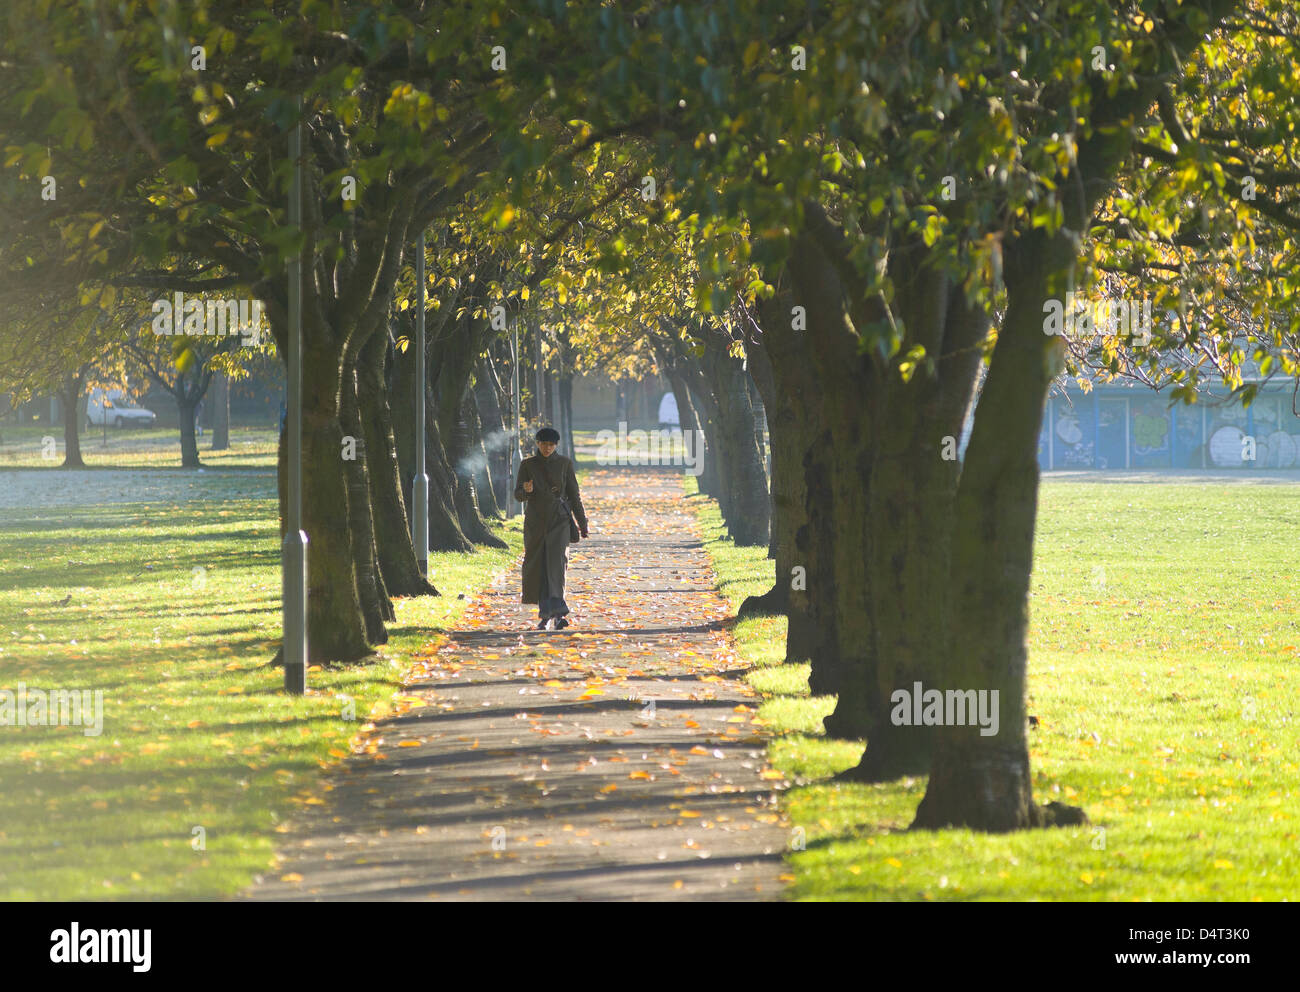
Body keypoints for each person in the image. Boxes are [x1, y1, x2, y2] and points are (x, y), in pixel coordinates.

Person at [514, 427, 588, 630]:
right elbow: (518, 495)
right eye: (544, 444)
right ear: (537, 443)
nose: (547, 448)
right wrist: (525, 491)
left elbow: (574, 495)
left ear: (556, 445)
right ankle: (547, 614)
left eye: (551, 445)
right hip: (535, 524)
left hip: (559, 522)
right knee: (539, 568)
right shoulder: (527, 465)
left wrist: (582, 523)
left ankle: (558, 613)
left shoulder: (565, 464)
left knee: (557, 566)